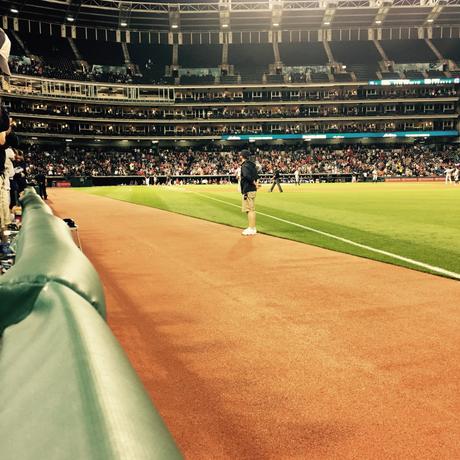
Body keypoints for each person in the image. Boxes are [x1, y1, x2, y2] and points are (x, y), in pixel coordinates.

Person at [240, 149, 259, 236]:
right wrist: (256, 183)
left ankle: (251, 228)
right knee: (251, 209)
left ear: (241, 156)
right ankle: (252, 227)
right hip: (252, 189)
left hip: (248, 189)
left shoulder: (244, 165)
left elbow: (247, 176)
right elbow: (256, 176)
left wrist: (253, 182)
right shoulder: (252, 165)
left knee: (250, 210)